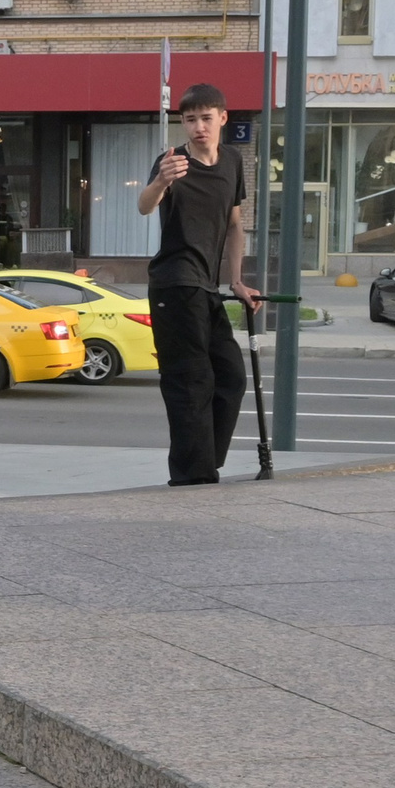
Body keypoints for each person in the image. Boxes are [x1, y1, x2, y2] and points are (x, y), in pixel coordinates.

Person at [137, 83, 262, 486]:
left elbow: (235, 223)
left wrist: (238, 280)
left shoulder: (232, 161)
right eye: (190, 119)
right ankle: (194, 478)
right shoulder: (172, 161)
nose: (198, 127)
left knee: (230, 377)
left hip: (207, 286)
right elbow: (144, 206)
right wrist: (160, 181)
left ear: (222, 118)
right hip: (174, 284)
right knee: (191, 382)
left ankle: (206, 461)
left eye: (206, 118)